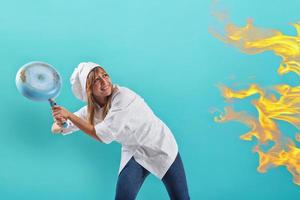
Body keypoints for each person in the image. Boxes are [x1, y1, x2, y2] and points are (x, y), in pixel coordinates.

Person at [51, 62, 190, 200]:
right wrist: (62, 121)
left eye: (105, 75)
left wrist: (69, 115)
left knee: (181, 198)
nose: (104, 81)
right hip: (134, 152)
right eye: (97, 80)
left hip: (160, 146)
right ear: (88, 88)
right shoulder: (90, 111)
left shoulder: (124, 97)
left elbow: (103, 136)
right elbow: (57, 128)